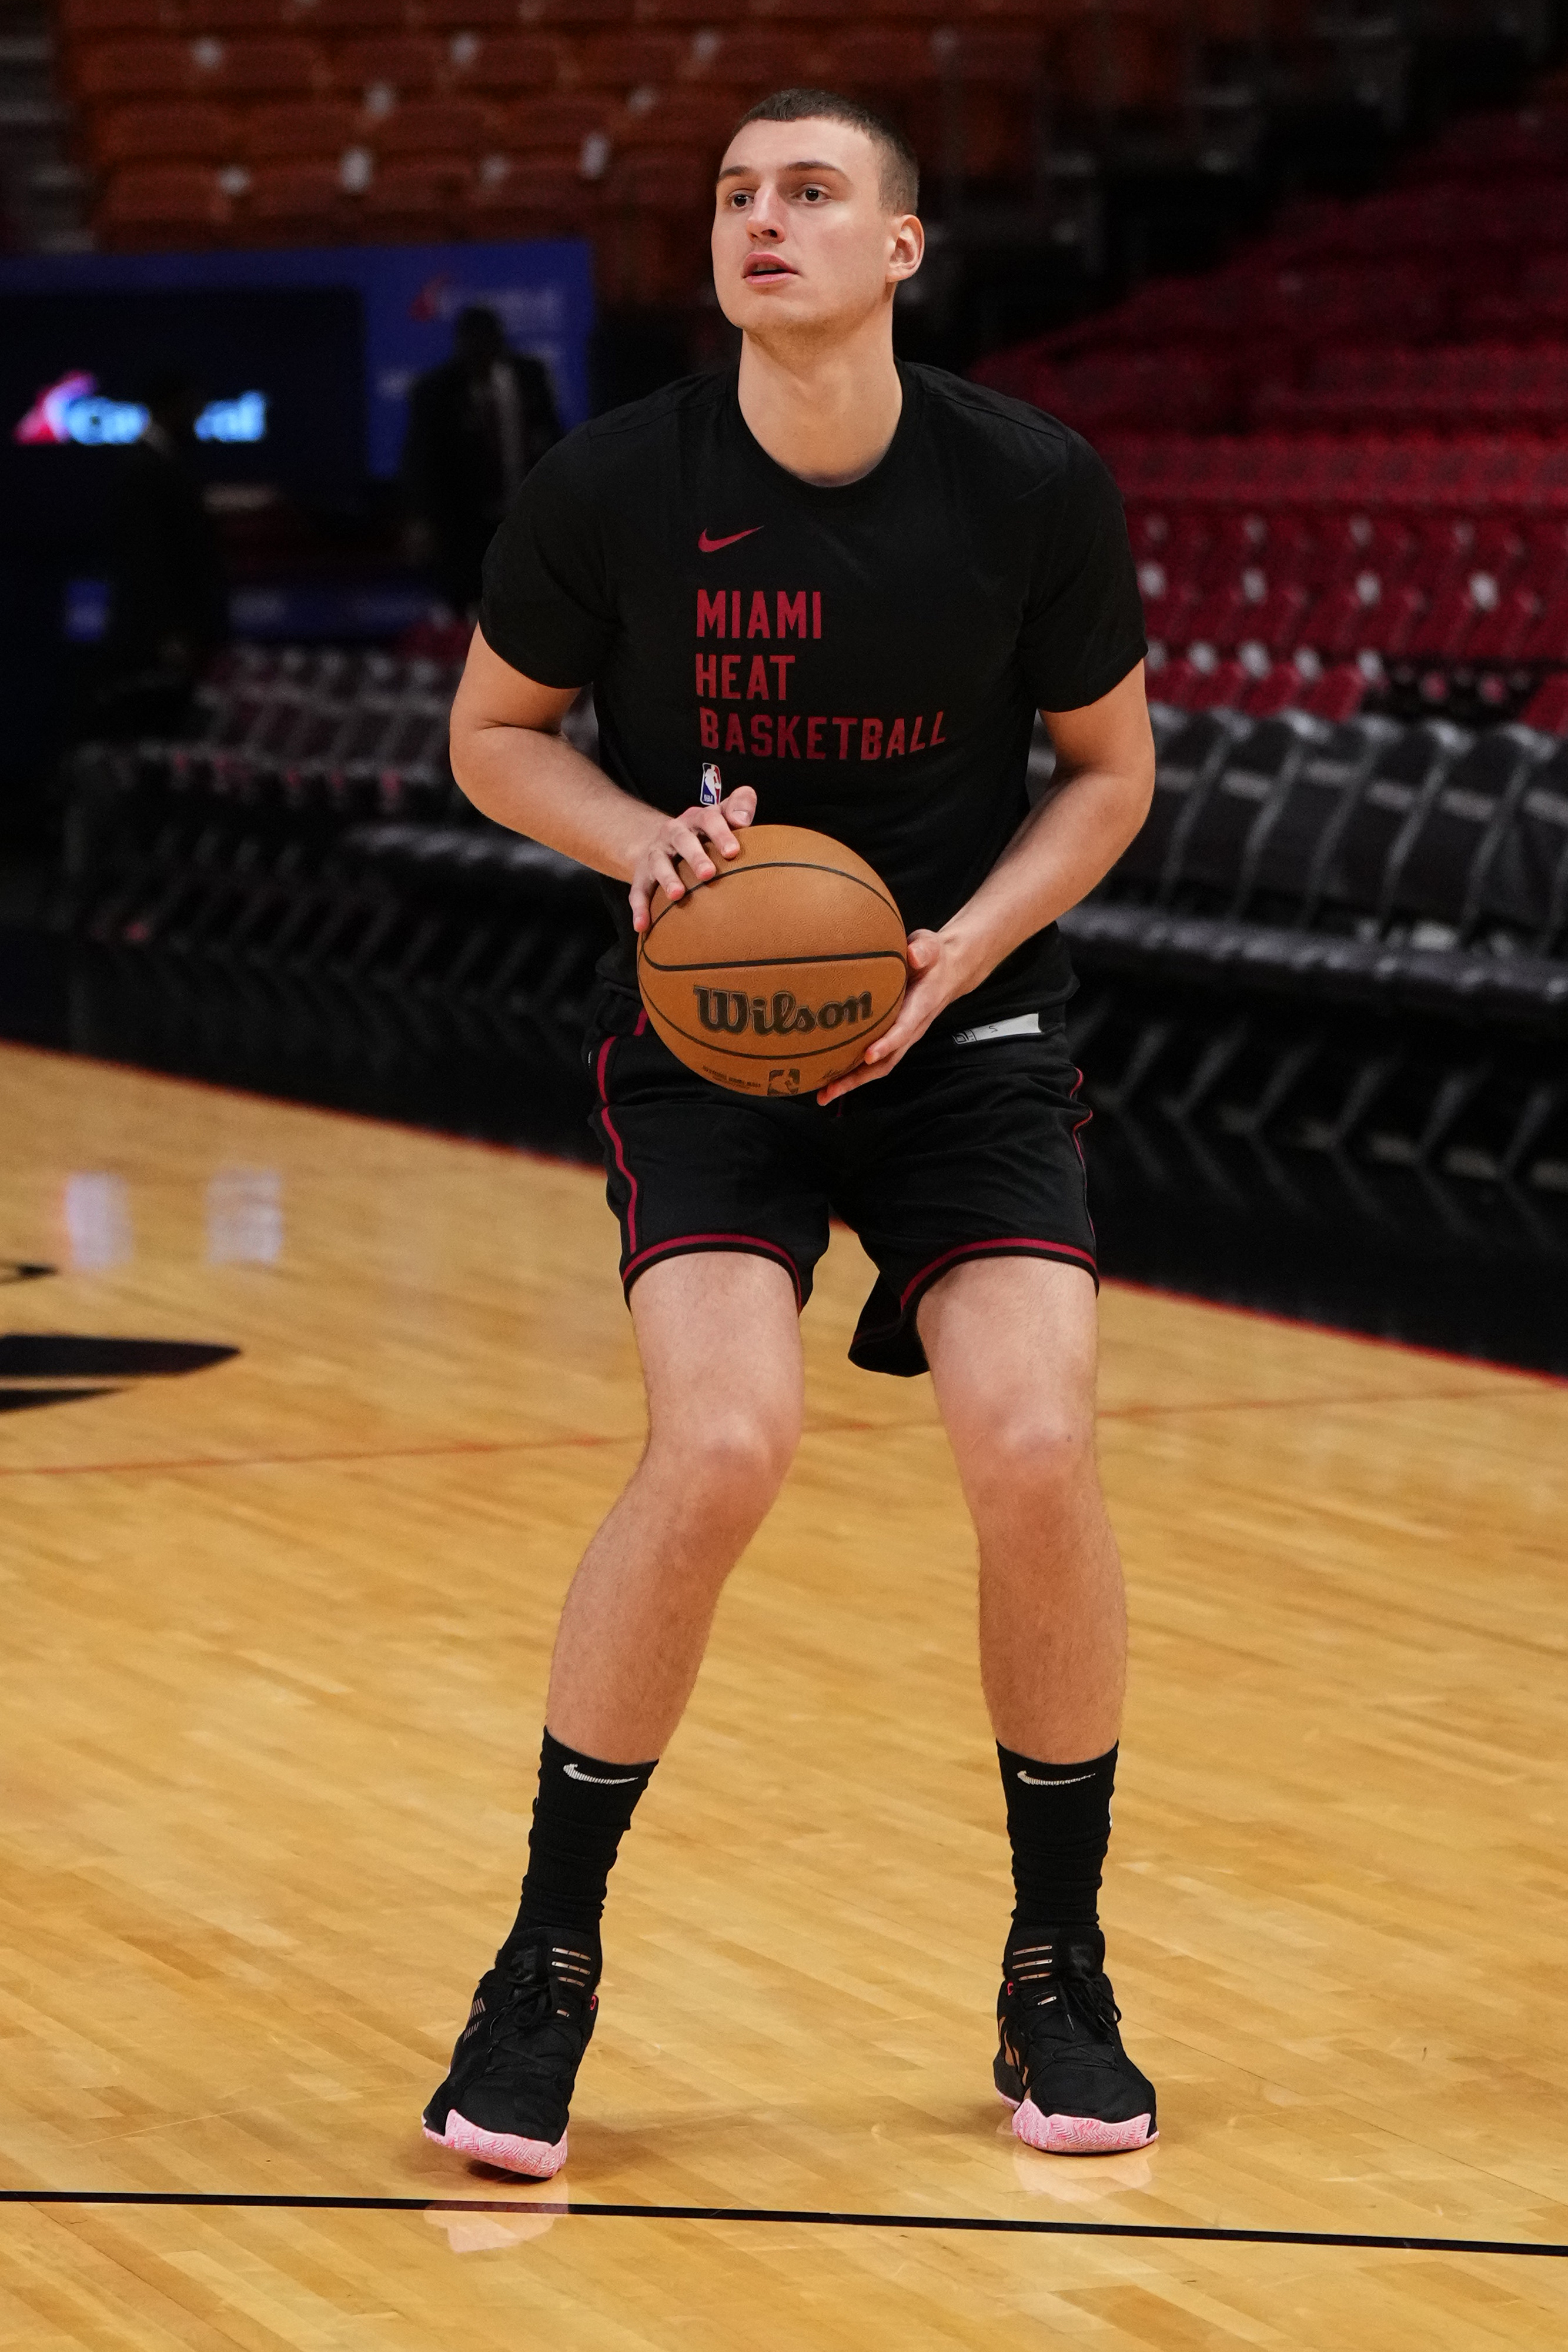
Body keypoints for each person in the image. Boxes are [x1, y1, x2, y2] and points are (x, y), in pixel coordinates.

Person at [424, 87, 1159, 2180]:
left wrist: (950, 952)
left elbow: (1106, 777)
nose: (764, 218)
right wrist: (646, 841)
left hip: (962, 1014)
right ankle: (543, 1959)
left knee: (1031, 1436)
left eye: (811, 190)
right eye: (738, 193)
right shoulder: (613, 485)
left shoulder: (1027, 485)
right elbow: (491, 737)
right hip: (713, 1027)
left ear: (900, 252)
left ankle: (1058, 1957)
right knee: (726, 1442)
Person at [400, 305, 561, 614]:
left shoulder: (530, 377)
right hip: (461, 526)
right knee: (466, 610)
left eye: (487, 346)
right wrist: (419, 519)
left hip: (525, 520)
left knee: (532, 608)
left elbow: (553, 439)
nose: (479, 356)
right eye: (471, 348)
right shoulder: (436, 390)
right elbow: (419, 458)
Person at [95, 368, 228, 739]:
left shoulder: (169, 463)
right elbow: (146, 560)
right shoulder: (143, 470)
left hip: (182, 630)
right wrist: (168, 631)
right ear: (172, 407)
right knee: (155, 731)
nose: (199, 416)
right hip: (158, 638)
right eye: (193, 406)